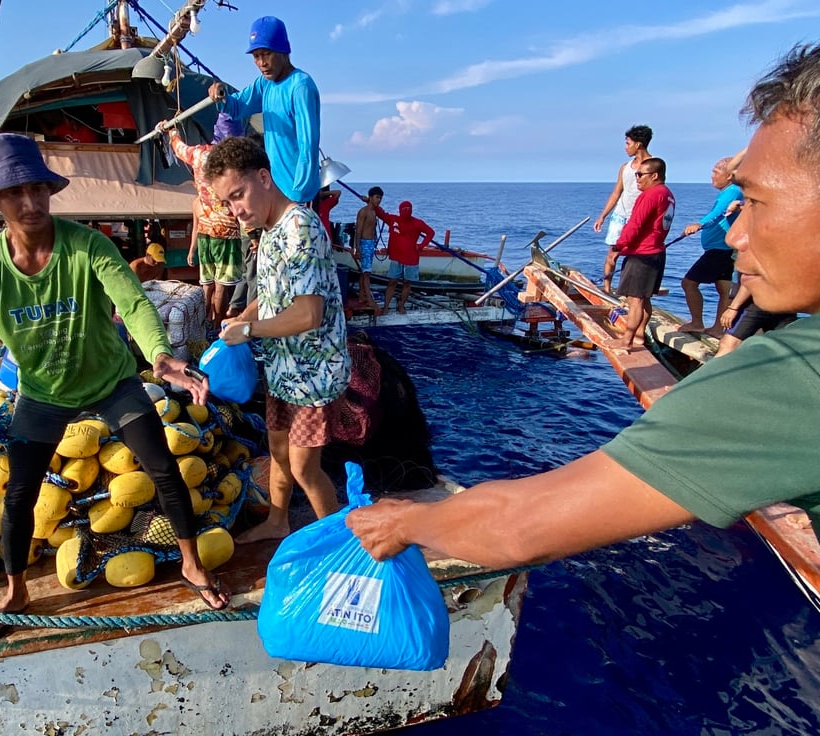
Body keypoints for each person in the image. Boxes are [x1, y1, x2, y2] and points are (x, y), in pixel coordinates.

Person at [347, 43, 820, 591]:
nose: (735, 234)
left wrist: (406, 520)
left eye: (756, 203)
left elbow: (523, 526)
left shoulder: (789, 381)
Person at [0, 134, 229, 640]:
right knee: (19, 496)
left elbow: (134, 302)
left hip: (112, 381)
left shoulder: (87, 245)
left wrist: (160, 356)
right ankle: (16, 591)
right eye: (13, 194)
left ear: (51, 191)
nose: (29, 204)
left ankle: (190, 564)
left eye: (37, 190)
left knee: (162, 466)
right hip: (43, 395)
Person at [202, 136, 351, 544]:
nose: (236, 210)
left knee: (305, 468)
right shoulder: (268, 231)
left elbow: (308, 313)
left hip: (313, 375)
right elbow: (270, 300)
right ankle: (277, 522)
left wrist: (248, 331)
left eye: (238, 195)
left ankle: (339, 544)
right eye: (228, 203)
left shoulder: (300, 228)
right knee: (279, 454)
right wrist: (241, 318)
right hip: (284, 369)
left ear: (263, 177)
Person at [208, 16, 321, 205]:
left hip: (299, 194)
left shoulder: (301, 86)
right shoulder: (264, 84)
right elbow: (236, 108)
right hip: (275, 191)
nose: (261, 62)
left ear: (284, 50)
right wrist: (221, 94)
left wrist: (298, 196)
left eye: (266, 53)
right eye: (256, 56)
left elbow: (308, 146)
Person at [162, 113, 244, 328]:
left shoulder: (199, 154)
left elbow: (179, 149)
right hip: (227, 234)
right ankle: (216, 328)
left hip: (206, 231)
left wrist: (172, 132)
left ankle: (200, 326)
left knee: (207, 285)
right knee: (221, 287)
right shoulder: (238, 162)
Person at [613, 157, 675, 349]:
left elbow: (635, 224)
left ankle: (627, 340)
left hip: (643, 254)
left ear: (654, 175)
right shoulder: (667, 194)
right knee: (644, 297)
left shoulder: (650, 195)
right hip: (656, 252)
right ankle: (639, 336)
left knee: (635, 300)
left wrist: (618, 246)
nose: (637, 178)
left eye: (640, 174)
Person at [677, 158, 742, 337]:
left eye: (715, 172)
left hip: (720, 249)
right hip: (724, 249)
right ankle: (719, 329)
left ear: (729, 176)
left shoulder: (733, 191)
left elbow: (718, 213)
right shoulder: (730, 191)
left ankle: (697, 322)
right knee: (724, 288)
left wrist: (699, 224)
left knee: (689, 283)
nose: (711, 176)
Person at [593, 125, 654, 292]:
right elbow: (616, 193)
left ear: (639, 144)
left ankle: (628, 291)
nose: (626, 147)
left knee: (635, 257)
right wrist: (602, 216)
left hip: (639, 217)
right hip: (620, 215)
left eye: (628, 143)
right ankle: (607, 289)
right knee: (612, 255)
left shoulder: (654, 166)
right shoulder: (625, 167)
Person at [375, 200, 435, 315]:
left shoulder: (418, 223)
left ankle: (401, 305)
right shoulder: (393, 219)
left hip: (411, 258)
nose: (407, 211)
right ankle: (386, 306)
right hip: (396, 257)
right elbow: (381, 213)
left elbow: (431, 233)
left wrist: (421, 246)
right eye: (404, 209)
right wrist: (370, 201)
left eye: (409, 209)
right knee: (392, 282)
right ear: (400, 210)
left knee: (407, 283)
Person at [352, 186, 384, 310]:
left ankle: (362, 295)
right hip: (364, 244)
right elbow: (358, 231)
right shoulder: (363, 212)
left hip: (371, 244)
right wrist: (357, 248)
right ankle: (370, 300)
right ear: (371, 197)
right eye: (377, 197)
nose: (379, 200)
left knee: (364, 272)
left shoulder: (374, 211)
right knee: (366, 274)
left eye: (380, 198)